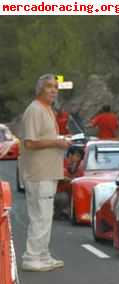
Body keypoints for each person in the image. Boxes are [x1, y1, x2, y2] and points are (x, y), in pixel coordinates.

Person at [20, 74, 70, 271]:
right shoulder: (34, 110)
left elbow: (45, 138)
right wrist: (57, 142)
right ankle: (32, 257)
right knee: (40, 216)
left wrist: (60, 139)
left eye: (56, 87)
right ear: (40, 88)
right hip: (38, 173)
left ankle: (42, 254)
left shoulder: (48, 109)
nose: (53, 90)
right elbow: (30, 142)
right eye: (49, 87)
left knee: (45, 216)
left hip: (48, 171)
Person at [54, 146, 83, 218]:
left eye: (80, 157)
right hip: (56, 194)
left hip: (69, 194)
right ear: (70, 155)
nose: (79, 159)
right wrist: (71, 180)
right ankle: (56, 214)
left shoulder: (78, 168)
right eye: (77, 156)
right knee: (64, 197)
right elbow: (60, 177)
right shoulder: (60, 163)